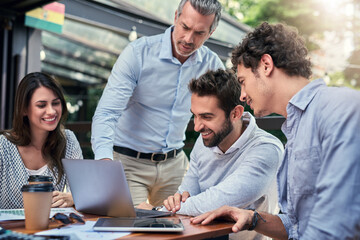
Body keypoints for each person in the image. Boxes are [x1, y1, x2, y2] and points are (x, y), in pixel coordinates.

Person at [191, 22, 360, 239]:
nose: (242, 95)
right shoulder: (295, 131)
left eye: (243, 81)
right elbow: (296, 226)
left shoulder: (339, 107)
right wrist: (251, 218)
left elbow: (338, 224)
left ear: (266, 65)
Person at [91, 0, 224, 206]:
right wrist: (104, 163)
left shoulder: (212, 65)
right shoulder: (138, 54)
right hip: (128, 164)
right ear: (175, 18)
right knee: (132, 232)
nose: (188, 39)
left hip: (176, 166)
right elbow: (107, 114)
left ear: (211, 32)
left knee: (180, 230)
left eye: (199, 33)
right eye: (185, 27)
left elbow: (222, 119)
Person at [139, 69, 284, 239]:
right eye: (195, 116)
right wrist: (177, 201)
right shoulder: (205, 139)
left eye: (206, 117)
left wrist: (157, 211)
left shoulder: (266, 149)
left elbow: (218, 201)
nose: (198, 126)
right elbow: (186, 195)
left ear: (235, 113)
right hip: (201, 234)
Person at [0, 72, 83, 209]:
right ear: (24, 110)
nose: (51, 111)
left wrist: (72, 197)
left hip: (51, 228)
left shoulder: (68, 140)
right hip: (8, 229)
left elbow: (83, 190)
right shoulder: (3, 146)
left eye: (56, 103)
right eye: (41, 105)